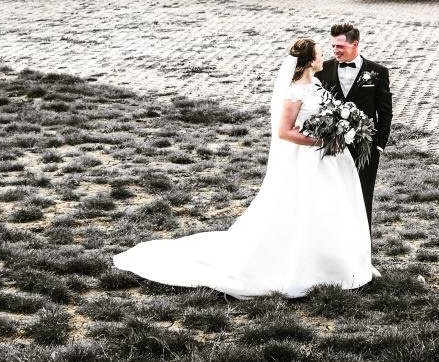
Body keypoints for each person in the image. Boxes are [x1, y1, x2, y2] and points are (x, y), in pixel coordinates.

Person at [112, 38, 373, 298]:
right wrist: (322, 140)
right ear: (307, 61)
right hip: (306, 159)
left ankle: (335, 265)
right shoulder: (294, 92)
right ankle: (302, 267)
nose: (322, 58)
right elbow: (284, 132)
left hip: (327, 159)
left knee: (330, 207)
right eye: (318, 54)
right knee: (304, 207)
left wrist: (342, 129)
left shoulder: (314, 83)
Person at [316, 23, 392, 228]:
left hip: (365, 147)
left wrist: (379, 145)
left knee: (363, 197)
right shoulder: (323, 71)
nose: (335, 50)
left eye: (340, 46)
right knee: (333, 197)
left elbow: (385, 112)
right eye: (333, 46)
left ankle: (362, 248)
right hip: (332, 146)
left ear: (355, 44)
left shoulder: (378, 72)